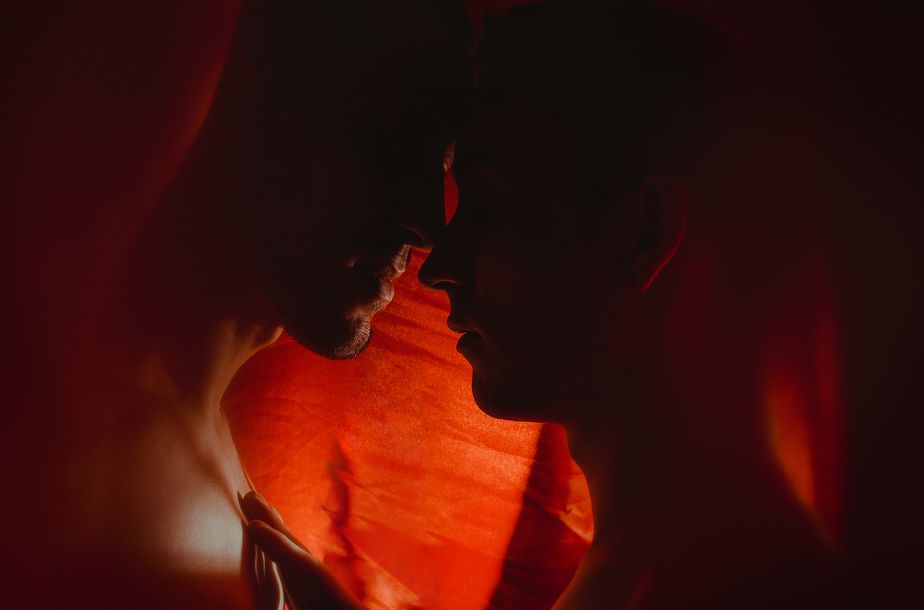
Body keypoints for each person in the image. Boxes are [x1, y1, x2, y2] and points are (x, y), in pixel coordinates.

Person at [248, 2, 852, 608]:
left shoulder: (719, 585)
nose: (437, 266)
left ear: (645, 234)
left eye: (489, 201)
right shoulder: (683, 568)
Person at [29, 1, 470, 609]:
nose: (426, 225)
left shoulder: (192, 446)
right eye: (389, 148)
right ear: (262, 100)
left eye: (439, 168)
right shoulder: (59, 457)